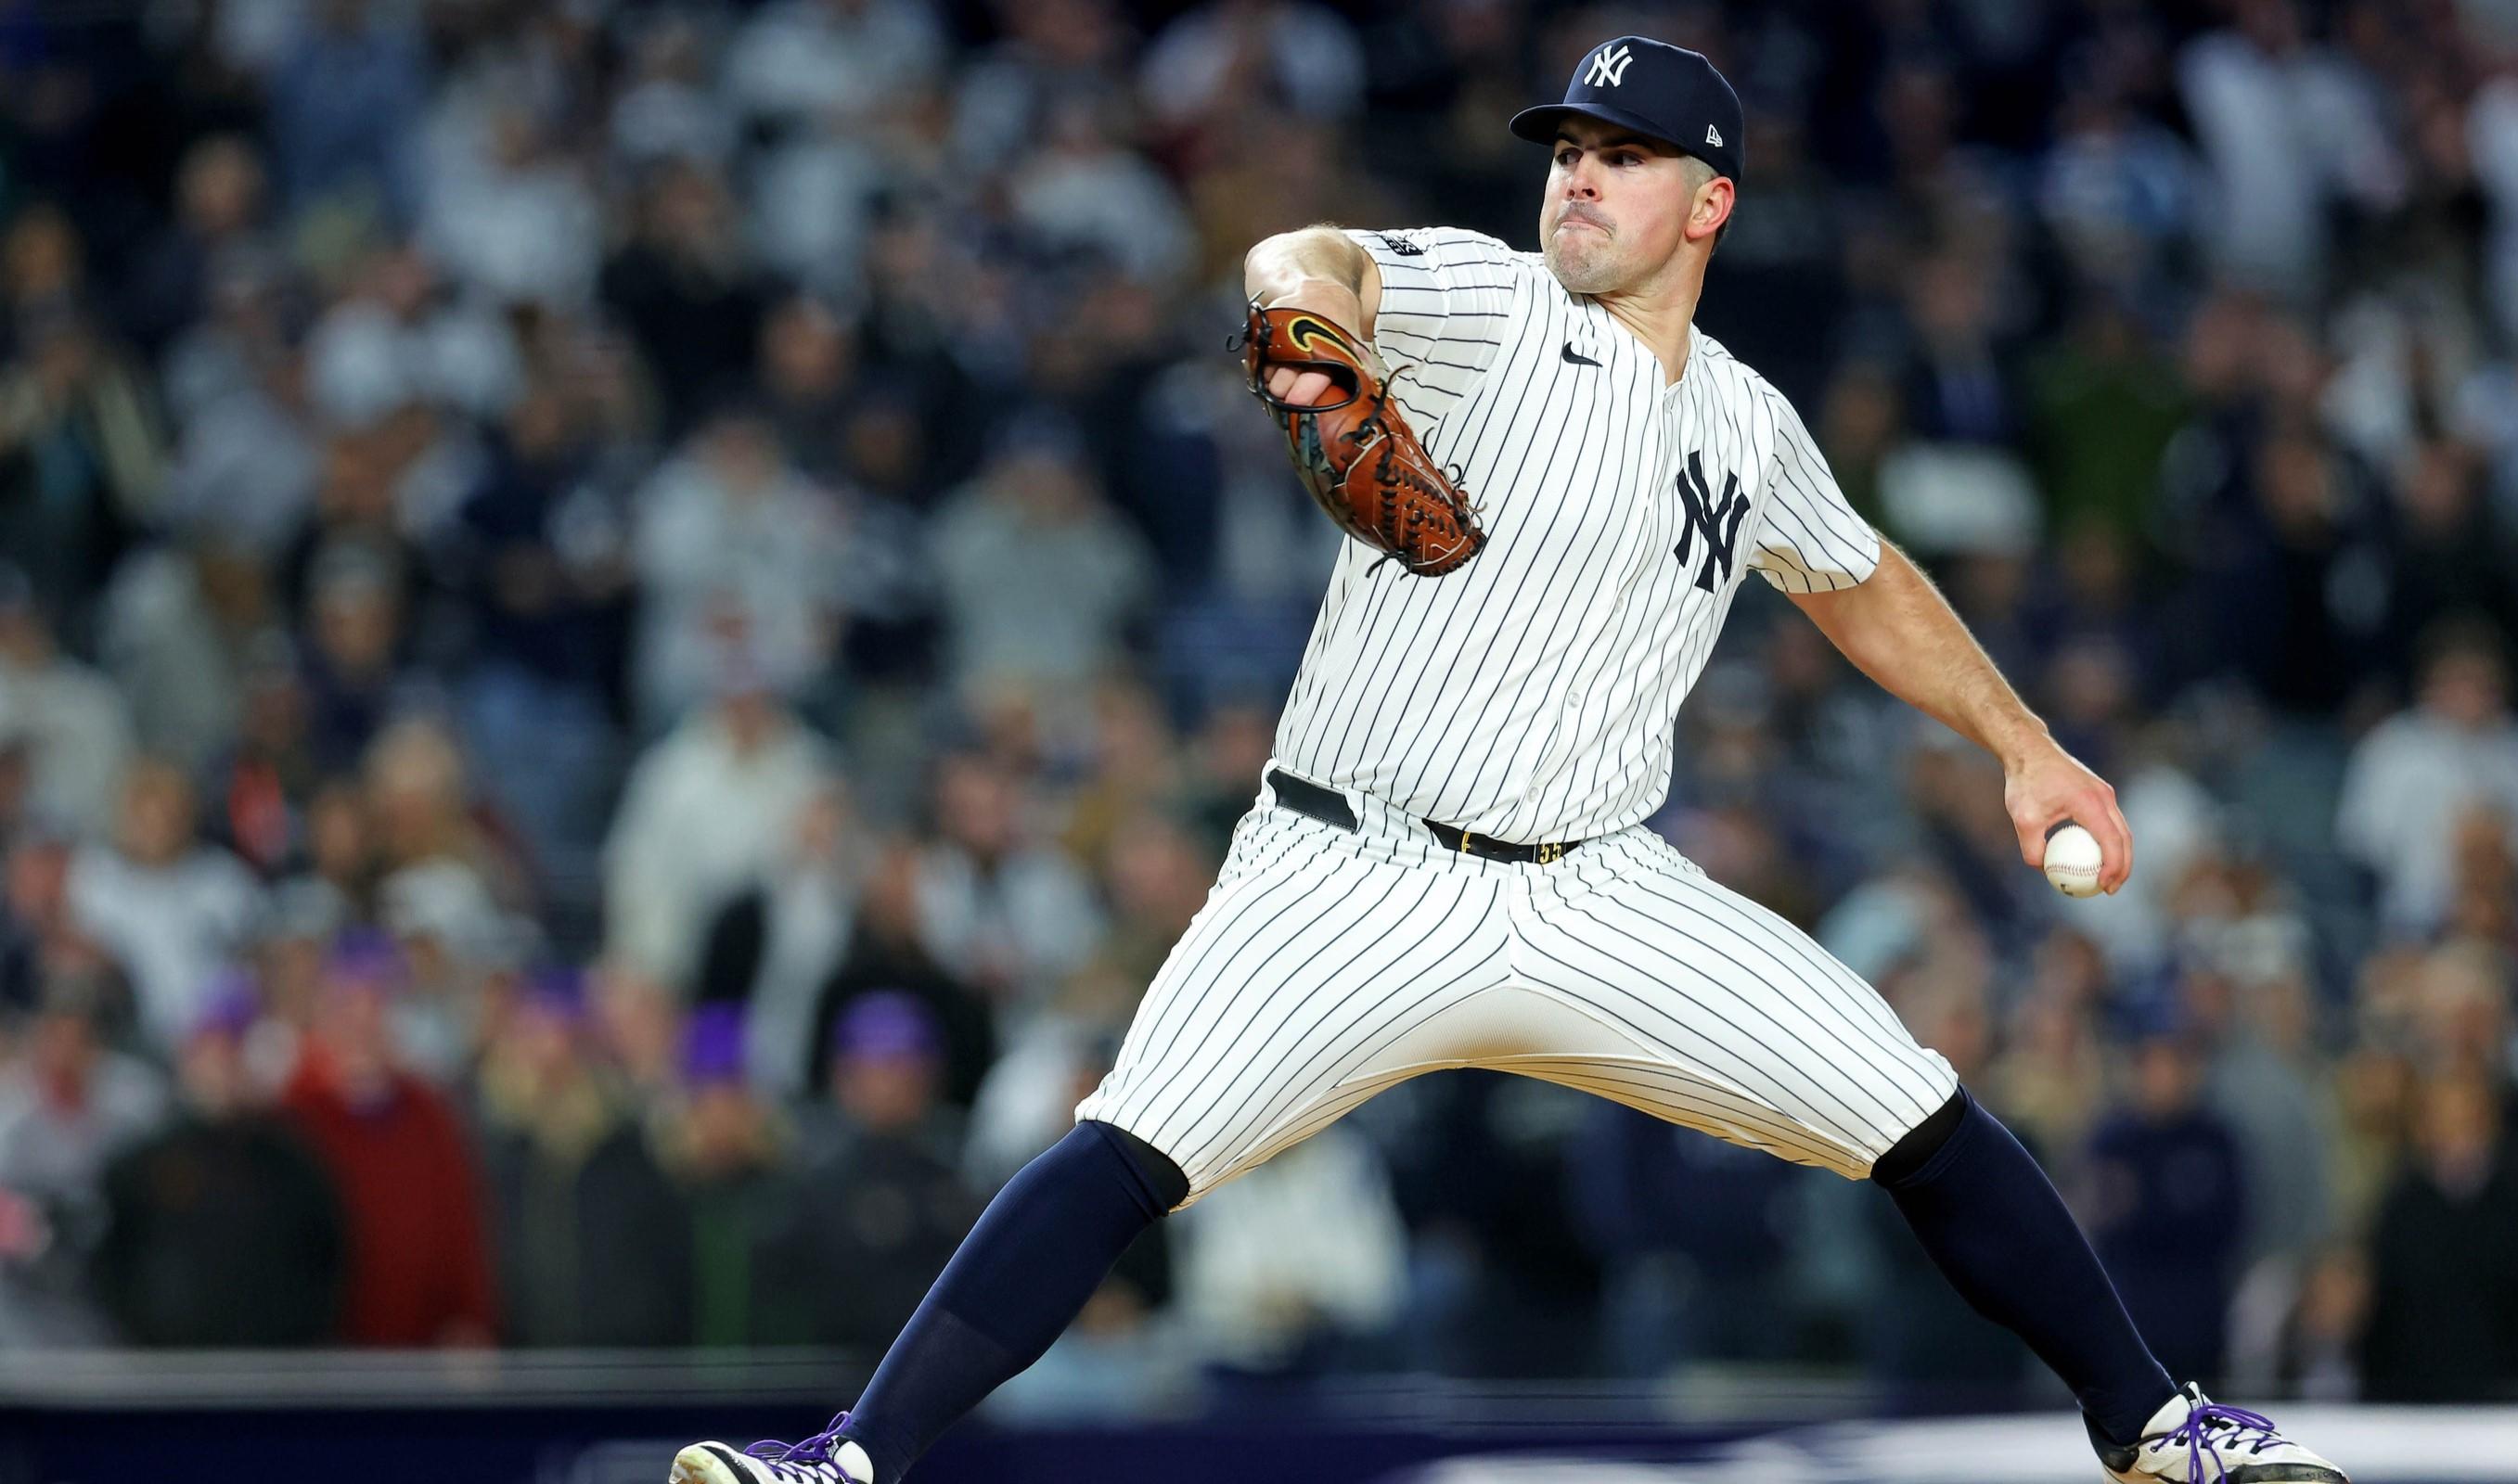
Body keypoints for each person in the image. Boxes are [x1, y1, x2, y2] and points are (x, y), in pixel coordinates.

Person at [672, 37, 2345, 1484]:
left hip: (1602, 891)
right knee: (1128, 1147)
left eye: (1625, 159)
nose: (1579, 182)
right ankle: (850, 1458)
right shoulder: (1492, 306)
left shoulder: (1747, 421)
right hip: (1350, 869)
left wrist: (2026, 745)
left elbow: (1859, 580)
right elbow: (1296, 252)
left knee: (1914, 1109)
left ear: (1712, 204)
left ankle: (2158, 1426)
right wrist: (1314, 353)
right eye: (1568, 152)